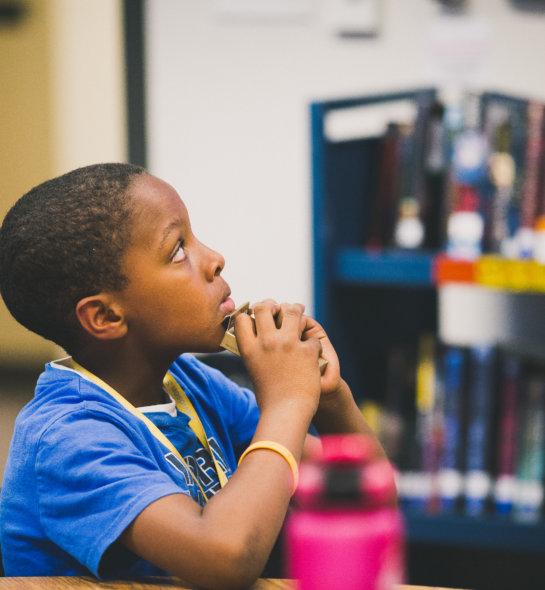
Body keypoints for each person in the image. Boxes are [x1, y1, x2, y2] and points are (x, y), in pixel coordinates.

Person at [0, 163, 389, 588]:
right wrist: (289, 402)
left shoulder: (188, 382)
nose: (215, 259)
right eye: (178, 250)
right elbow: (225, 558)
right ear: (105, 315)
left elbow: (372, 490)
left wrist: (329, 398)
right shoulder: (66, 437)